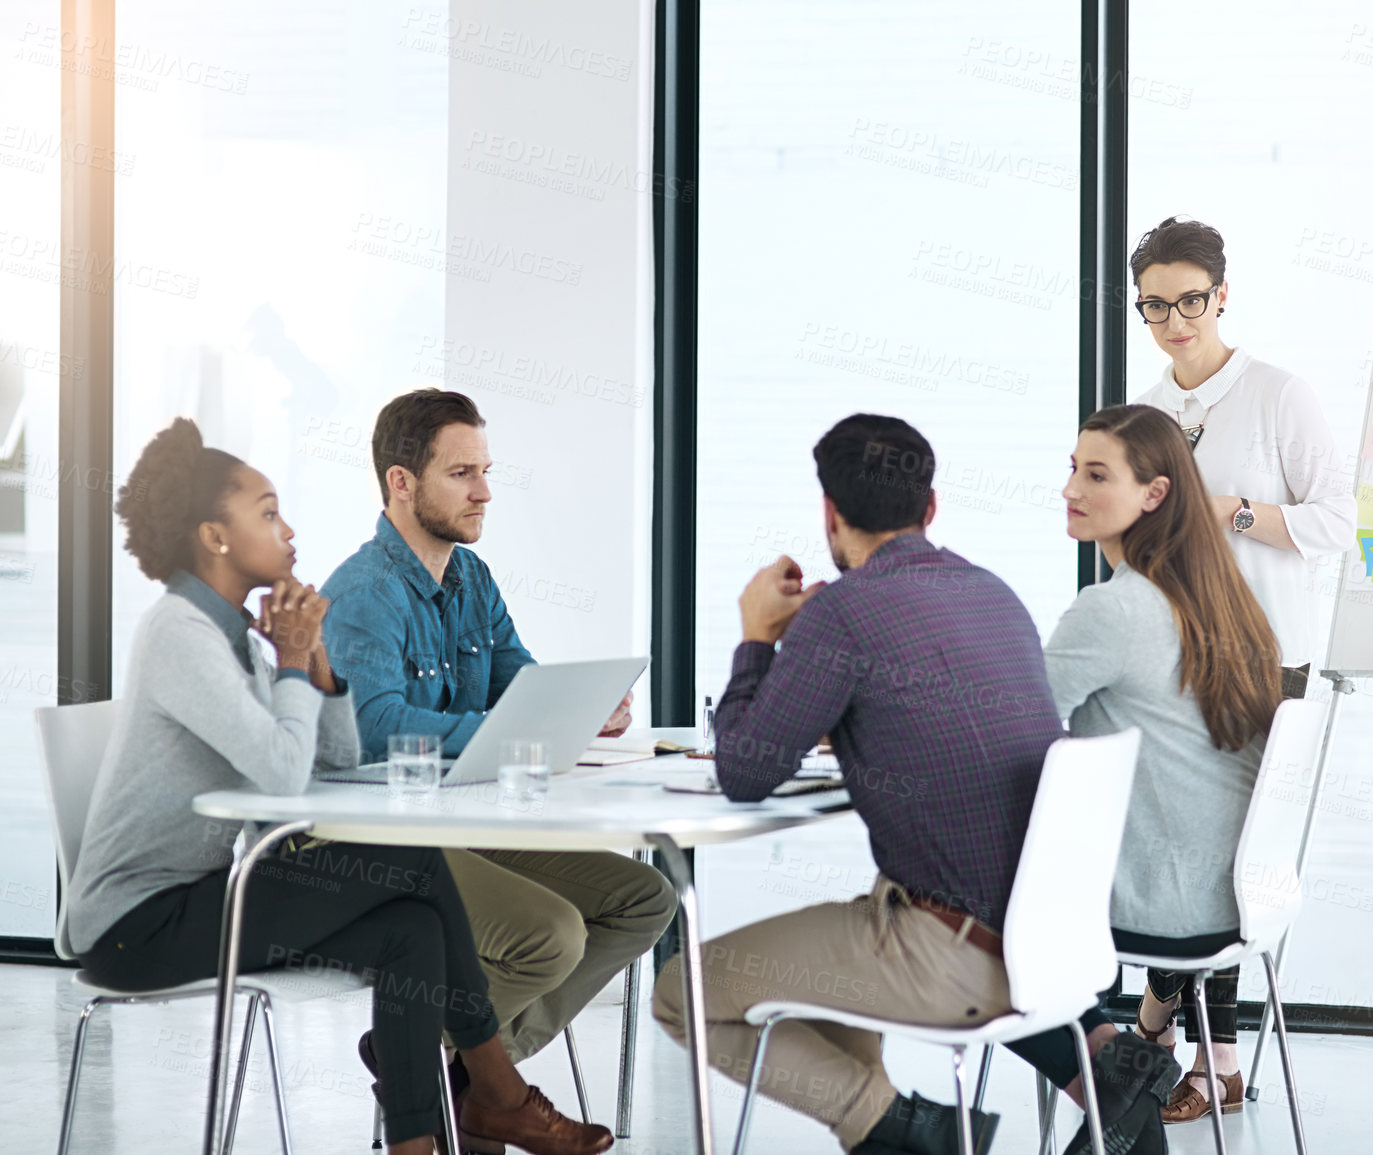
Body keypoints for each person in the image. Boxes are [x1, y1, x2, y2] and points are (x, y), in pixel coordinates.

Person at [64, 419, 610, 1155]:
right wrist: (291, 660)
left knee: (411, 930)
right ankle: (500, 1090)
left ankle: (415, 1144)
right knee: (414, 864)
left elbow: (338, 751)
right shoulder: (179, 632)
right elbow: (287, 778)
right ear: (214, 538)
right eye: (266, 512)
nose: (288, 531)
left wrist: (314, 659)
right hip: (138, 927)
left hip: (205, 896)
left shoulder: (231, 636)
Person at [651, 414, 1064, 1155]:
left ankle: (903, 1129)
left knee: (681, 991)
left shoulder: (843, 612)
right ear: (930, 508)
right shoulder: (994, 594)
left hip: (949, 955)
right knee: (849, 930)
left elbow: (744, 770)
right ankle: (890, 1127)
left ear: (829, 514)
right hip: (1047, 944)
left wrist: (757, 636)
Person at [319, 389, 677, 1081]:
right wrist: (511, 732)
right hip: (381, 838)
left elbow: (521, 683)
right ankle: (444, 1063)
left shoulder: (471, 578)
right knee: (553, 932)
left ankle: (462, 1068)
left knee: (644, 896)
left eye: (486, 471)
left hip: (460, 820)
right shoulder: (365, 592)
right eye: (462, 473)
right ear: (401, 481)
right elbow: (377, 726)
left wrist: (583, 710)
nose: (485, 491)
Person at [1005, 405, 1286, 1153]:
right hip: (1232, 896)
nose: (1070, 487)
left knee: (957, 927)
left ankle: (1115, 1073)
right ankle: (1121, 1097)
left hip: (1162, 902)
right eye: (1071, 466)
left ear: (1154, 494)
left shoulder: (1115, 609)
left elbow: (1011, 733)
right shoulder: (1223, 599)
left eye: (1096, 474)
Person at [1126, 218, 1354, 1123]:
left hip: (1264, 666)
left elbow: (1339, 522)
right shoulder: (1145, 411)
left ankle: (1177, 1050)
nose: (1174, 319)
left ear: (1221, 296)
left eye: (1189, 300)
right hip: (1175, 662)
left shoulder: (1276, 395)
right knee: (1176, 860)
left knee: (1228, 867)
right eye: (1154, 305)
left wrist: (1232, 513)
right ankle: (1203, 1059)